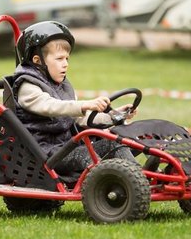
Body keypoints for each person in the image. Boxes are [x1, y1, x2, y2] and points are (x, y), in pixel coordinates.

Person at [11, 21, 139, 175]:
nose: (65, 64)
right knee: (84, 155)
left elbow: (80, 119)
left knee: (114, 144)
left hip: (66, 147)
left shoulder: (61, 85)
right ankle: (106, 185)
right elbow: (51, 106)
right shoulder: (28, 87)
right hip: (44, 152)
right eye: (59, 59)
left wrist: (113, 116)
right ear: (37, 61)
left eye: (67, 59)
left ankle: (139, 176)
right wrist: (83, 105)